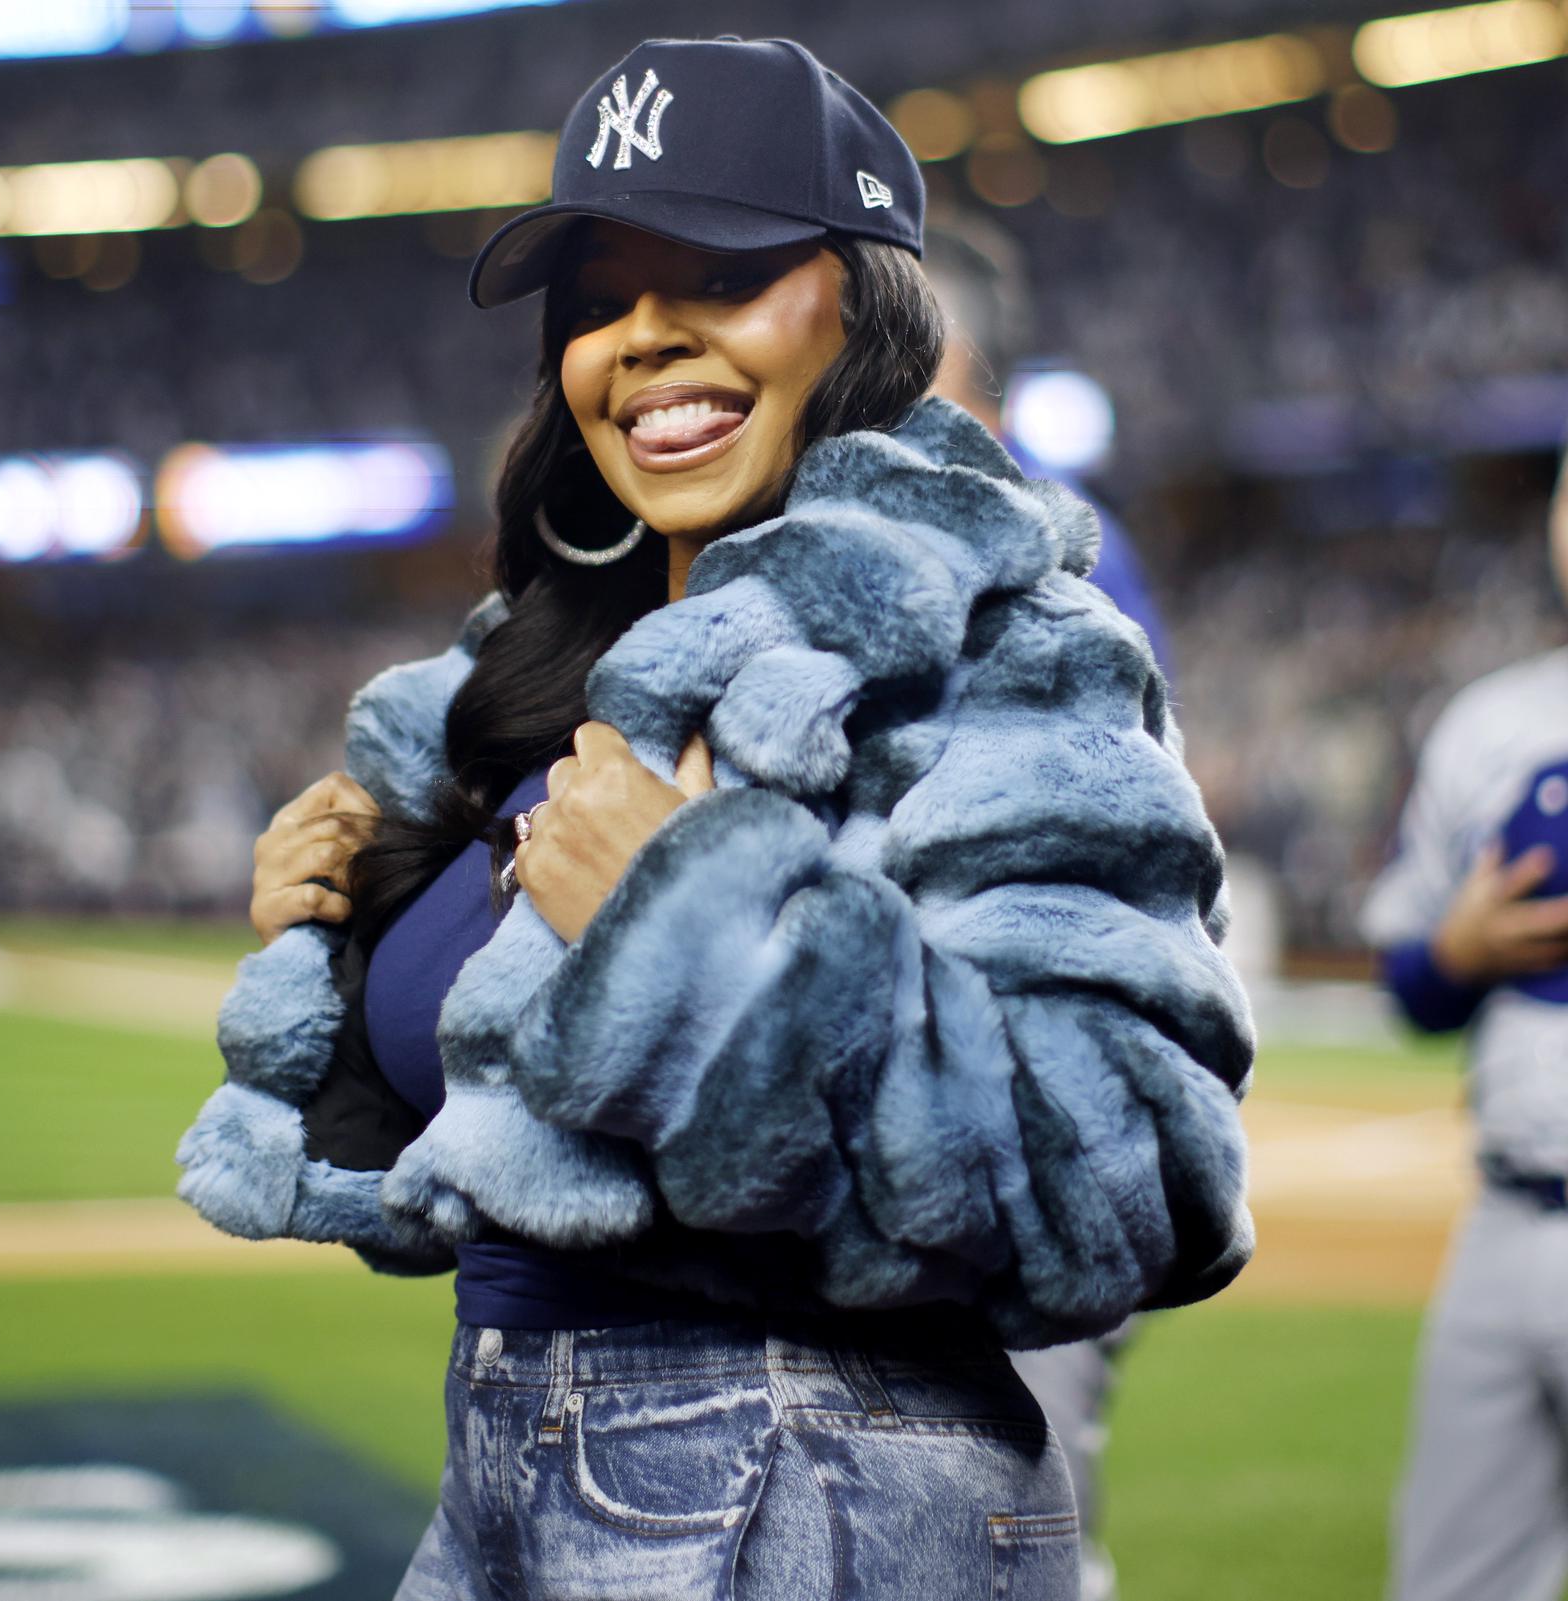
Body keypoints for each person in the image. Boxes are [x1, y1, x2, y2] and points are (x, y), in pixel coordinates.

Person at [176, 37, 1253, 1599]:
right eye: (599, 296)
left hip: (830, 1482)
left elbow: (1129, 1176)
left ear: (866, 308)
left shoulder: (1009, 648)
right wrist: (354, 940)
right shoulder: (549, 681)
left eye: (720, 272)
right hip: (511, 1471)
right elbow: (525, 1143)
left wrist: (693, 922)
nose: (646, 338)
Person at [924, 217, 1172, 1601]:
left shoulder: (1062, 544)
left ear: (990, 390)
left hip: (1050, 1128)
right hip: (954, 1120)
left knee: (1019, 1531)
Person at [1367, 442, 1568, 1601]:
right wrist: (1463, 951)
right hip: (1504, 1211)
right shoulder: (1492, 720)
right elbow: (1411, 984)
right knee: (1453, 1576)